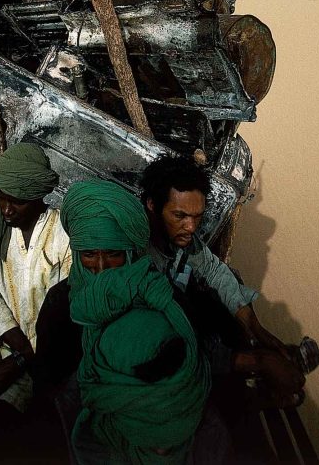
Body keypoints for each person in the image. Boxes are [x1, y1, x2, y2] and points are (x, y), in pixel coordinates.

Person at [60, 179, 210, 465]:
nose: (101, 267)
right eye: (89, 253)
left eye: (114, 253)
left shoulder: (164, 295)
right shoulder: (59, 307)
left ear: (129, 251)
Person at [141, 157, 306, 405]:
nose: (191, 227)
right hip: (152, 357)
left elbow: (214, 270)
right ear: (152, 206)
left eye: (197, 217)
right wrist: (257, 362)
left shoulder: (177, 237)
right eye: (180, 216)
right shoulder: (138, 256)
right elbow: (164, 341)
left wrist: (256, 329)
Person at [0, 141, 71, 413]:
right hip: (4, 349)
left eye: (17, 201)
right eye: (2, 197)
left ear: (38, 196)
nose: (6, 209)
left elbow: (60, 312)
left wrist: (25, 358)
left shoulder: (63, 236)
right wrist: (21, 351)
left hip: (53, 357)